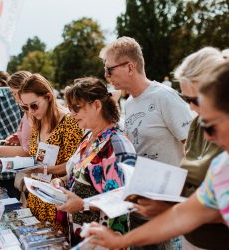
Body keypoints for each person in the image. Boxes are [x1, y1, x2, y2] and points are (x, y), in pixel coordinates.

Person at [86, 61, 229, 250]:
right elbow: (183, 215)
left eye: (209, 126)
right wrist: (121, 241)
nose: (206, 136)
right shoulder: (222, 167)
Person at [99, 36, 194, 249]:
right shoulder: (130, 103)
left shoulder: (164, 97)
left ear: (130, 67)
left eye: (109, 70)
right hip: (140, 206)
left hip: (167, 210)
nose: (106, 76)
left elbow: (194, 148)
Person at [134, 47, 228, 250]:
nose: (191, 108)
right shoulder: (196, 125)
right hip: (192, 238)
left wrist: (170, 207)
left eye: (195, 100)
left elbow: (218, 205)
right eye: (186, 100)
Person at [51, 77, 137, 244]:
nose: (72, 114)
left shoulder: (117, 144)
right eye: (70, 108)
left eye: (76, 108)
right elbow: (80, 174)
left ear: (97, 105)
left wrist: (83, 204)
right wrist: (60, 181)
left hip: (105, 238)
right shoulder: (89, 136)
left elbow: (125, 197)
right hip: (82, 233)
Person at [18, 73, 83, 229]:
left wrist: (42, 169)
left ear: (48, 97)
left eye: (33, 105)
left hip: (58, 200)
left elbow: (74, 165)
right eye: (24, 107)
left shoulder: (69, 123)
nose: (30, 111)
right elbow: (35, 155)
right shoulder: (36, 122)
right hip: (37, 196)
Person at [0, 71, 32, 157]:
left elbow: (28, 151)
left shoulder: (34, 113)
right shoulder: (28, 113)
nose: (14, 98)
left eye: (14, 93)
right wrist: (19, 137)